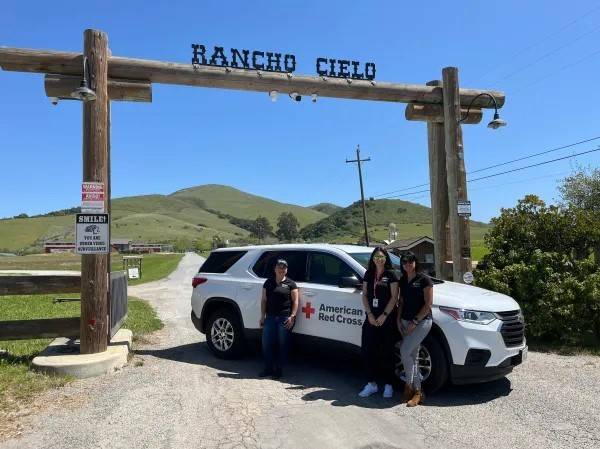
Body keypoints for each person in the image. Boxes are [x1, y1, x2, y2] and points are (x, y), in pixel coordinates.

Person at [358, 247, 399, 398]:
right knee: (368, 350)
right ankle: (371, 384)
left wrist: (384, 315)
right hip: (371, 318)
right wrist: (369, 314)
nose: (379, 259)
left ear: (386, 258)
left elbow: (394, 297)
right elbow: (365, 295)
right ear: (372, 258)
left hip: (386, 319)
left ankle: (389, 385)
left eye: (381, 256)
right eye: (376, 256)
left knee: (388, 352)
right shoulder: (368, 274)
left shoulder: (391, 275)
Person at [397, 251, 433, 407]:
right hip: (405, 321)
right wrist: (398, 319)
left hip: (422, 322)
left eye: (411, 261)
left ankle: (409, 387)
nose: (408, 264)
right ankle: (418, 393)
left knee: (404, 351)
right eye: (405, 261)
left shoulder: (424, 279)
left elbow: (428, 304)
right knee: (413, 355)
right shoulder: (403, 279)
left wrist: (415, 321)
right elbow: (402, 301)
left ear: (415, 262)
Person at [259, 259, 299, 379]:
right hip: (270, 317)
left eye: (284, 267)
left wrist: (292, 316)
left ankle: (279, 369)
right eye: (279, 267)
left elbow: (295, 301)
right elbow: (264, 300)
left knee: (283, 344)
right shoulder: (268, 283)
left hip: (284, 317)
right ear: (274, 269)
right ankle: (268, 368)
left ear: (286, 270)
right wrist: (262, 316)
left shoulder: (291, 284)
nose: (281, 269)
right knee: (266, 343)